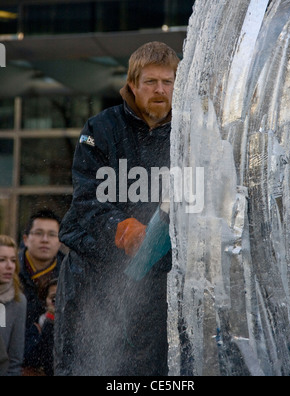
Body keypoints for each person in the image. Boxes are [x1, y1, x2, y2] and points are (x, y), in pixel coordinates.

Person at [55, 42, 180, 376]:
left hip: (159, 279)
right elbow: (86, 198)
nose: (160, 89)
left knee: (154, 370)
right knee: (84, 363)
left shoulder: (189, 133)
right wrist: (122, 228)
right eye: (151, 82)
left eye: (167, 81)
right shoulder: (101, 129)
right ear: (133, 85)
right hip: (92, 273)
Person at [19, 209, 63, 375]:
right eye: (38, 233)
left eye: (52, 234)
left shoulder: (70, 275)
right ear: (26, 239)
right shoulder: (8, 271)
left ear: (60, 241)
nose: (45, 240)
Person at [0, 235, 27, 376]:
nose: (9, 266)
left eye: (13, 260)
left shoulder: (18, 301)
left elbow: (15, 360)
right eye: (2, 260)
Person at [23, 279, 57, 376]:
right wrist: (49, 324)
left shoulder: (77, 328)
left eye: (63, 298)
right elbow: (33, 358)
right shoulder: (36, 328)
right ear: (45, 302)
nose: (59, 303)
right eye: (53, 299)